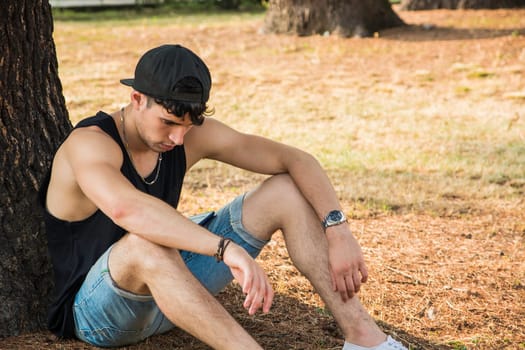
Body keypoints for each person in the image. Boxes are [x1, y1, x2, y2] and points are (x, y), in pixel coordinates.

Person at [40, 44, 406, 350]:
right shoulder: (89, 145)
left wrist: (337, 229)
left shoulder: (184, 136)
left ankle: (366, 339)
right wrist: (225, 248)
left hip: (173, 294)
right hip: (99, 314)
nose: (178, 139)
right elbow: (128, 209)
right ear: (137, 99)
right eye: (168, 122)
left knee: (285, 191)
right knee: (143, 245)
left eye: (188, 125)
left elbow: (295, 160)